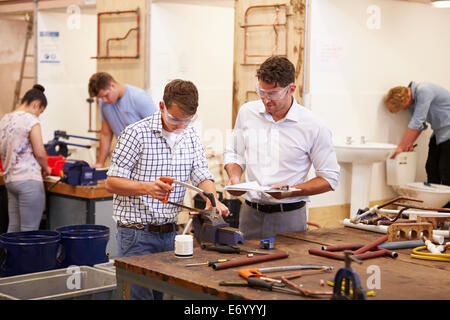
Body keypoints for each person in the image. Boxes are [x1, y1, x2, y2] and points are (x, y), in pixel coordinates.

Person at [105, 79, 229, 300]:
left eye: (187, 120)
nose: (180, 126)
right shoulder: (135, 134)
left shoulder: (189, 134)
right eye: (174, 119)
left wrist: (212, 198)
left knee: (160, 296)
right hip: (136, 235)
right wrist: (147, 188)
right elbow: (112, 182)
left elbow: (201, 171)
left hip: (170, 234)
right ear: (161, 106)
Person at [223, 56, 340, 240]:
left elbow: (330, 178)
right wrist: (235, 177)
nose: (266, 100)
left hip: (289, 217)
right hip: (250, 214)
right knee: (246, 265)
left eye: (273, 94)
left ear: (291, 89)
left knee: (288, 268)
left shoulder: (313, 126)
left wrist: (292, 189)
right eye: (261, 92)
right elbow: (235, 154)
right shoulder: (247, 112)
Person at [0, 84, 52, 232]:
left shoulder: (5, 119)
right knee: (29, 231)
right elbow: (40, 152)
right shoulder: (30, 120)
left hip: (10, 180)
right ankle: (27, 257)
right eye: (40, 112)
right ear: (36, 104)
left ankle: (10, 256)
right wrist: (46, 168)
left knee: (14, 229)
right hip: (28, 181)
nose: (38, 116)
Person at [385, 81, 450, 192]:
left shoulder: (424, 90)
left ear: (407, 97)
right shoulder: (413, 102)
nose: (404, 109)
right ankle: (435, 206)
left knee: (446, 170)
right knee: (431, 168)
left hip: (447, 130)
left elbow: (416, 121)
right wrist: (408, 144)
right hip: (440, 132)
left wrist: (401, 147)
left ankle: (446, 208)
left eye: (403, 107)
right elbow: (420, 126)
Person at [88, 72, 157, 168]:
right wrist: (100, 163)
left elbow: (158, 129)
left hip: (146, 157)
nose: (104, 100)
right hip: (125, 157)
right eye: (101, 98)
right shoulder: (104, 104)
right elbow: (105, 134)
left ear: (112, 85)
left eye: (105, 95)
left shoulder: (139, 97)